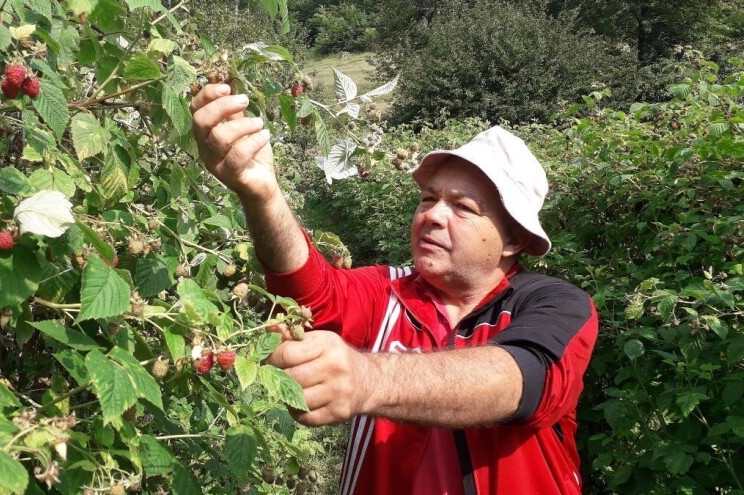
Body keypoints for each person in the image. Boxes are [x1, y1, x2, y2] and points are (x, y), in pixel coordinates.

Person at [190, 83, 598, 495]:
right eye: (428, 198)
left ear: (513, 241)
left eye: (463, 207)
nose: (433, 215)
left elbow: (520, 381)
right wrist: (263, 194)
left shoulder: (556, 304)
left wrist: (366, 379)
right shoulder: (389, 291)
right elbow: (310, 291)